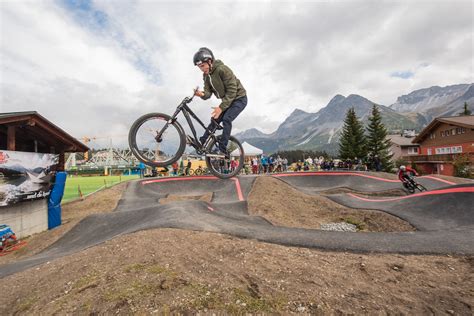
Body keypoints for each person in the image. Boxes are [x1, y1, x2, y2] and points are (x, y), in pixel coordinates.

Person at [193, 47, 247, 156]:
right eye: (199, 67)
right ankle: (202, 142)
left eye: (203, 66)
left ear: (210, 61)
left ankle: (222, 149)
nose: (202, 69)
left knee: (226, 119)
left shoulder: (223, 69)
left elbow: (232, 91)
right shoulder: (206, 76)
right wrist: (201, 94)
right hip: (227, 101)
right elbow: (208, 93)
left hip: (239, 99)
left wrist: (221, 108)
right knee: (214, 120)